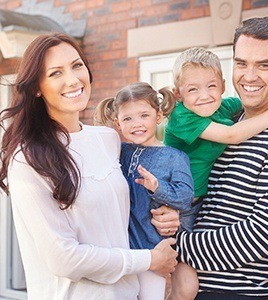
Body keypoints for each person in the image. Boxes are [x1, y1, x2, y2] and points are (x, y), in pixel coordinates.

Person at [0, 33, 179, 300]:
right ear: (37, 87)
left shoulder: (108, 139)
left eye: (77, 65)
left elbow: (123, 213)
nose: (73, 80)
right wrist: (148, 260)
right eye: (55, 73)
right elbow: (64, 258)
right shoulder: (27, 158)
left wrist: (165, 213)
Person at [174, 16, 268, 300]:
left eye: (263, 65)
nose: (249, 76)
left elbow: (262, 234)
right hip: (192, 288)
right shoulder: (226, 121)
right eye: (241, 63)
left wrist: (175, 244)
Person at [94, 82, 194, 299]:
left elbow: (186, 197)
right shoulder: (118, 152)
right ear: (118, 123)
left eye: (144, 115)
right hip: (120, 252)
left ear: (158, 117)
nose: (136, 124)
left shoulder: (174, 157)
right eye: (128, 118)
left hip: (152, 252)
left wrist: (158, 187)